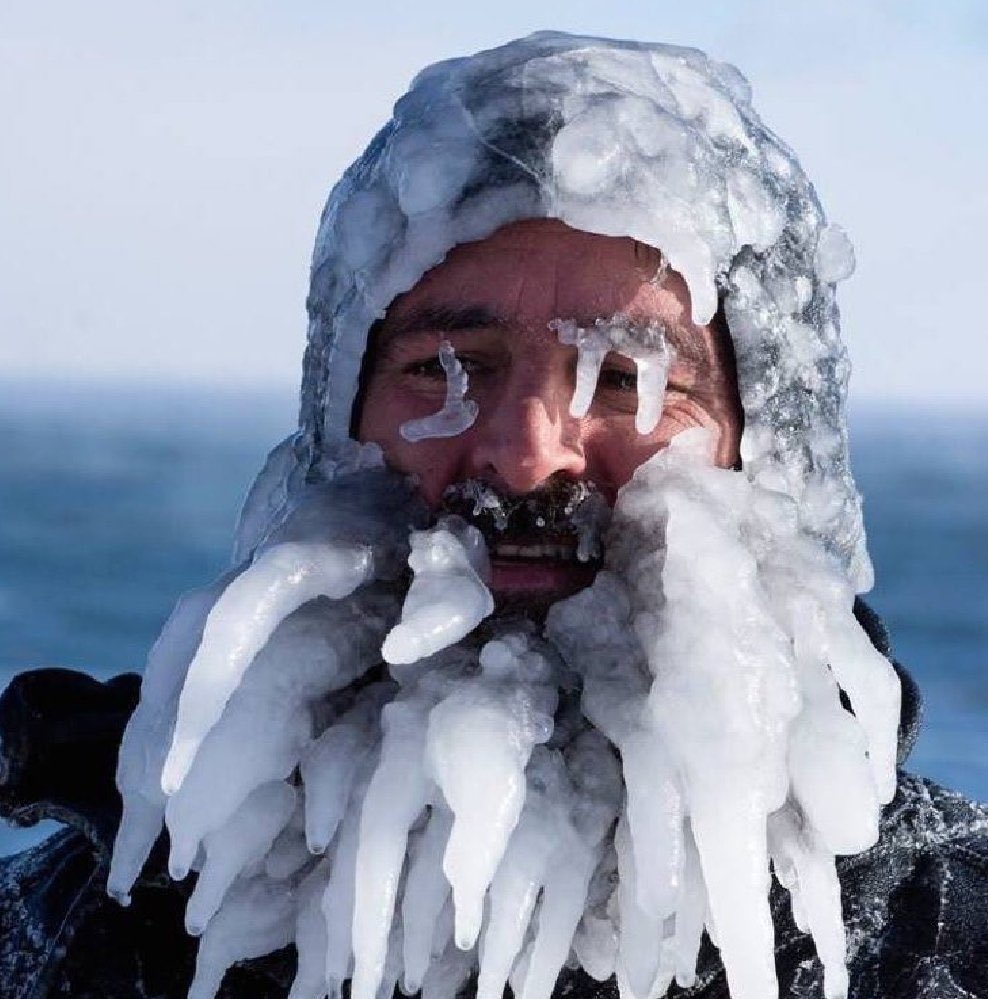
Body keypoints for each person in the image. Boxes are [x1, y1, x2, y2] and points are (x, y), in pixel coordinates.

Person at [1, 31, 986, 999]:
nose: (526, 453)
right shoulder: (69, 935)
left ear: (771, 460)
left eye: (627, 385)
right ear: (335, 432)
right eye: (440, 370)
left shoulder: (947, 941)